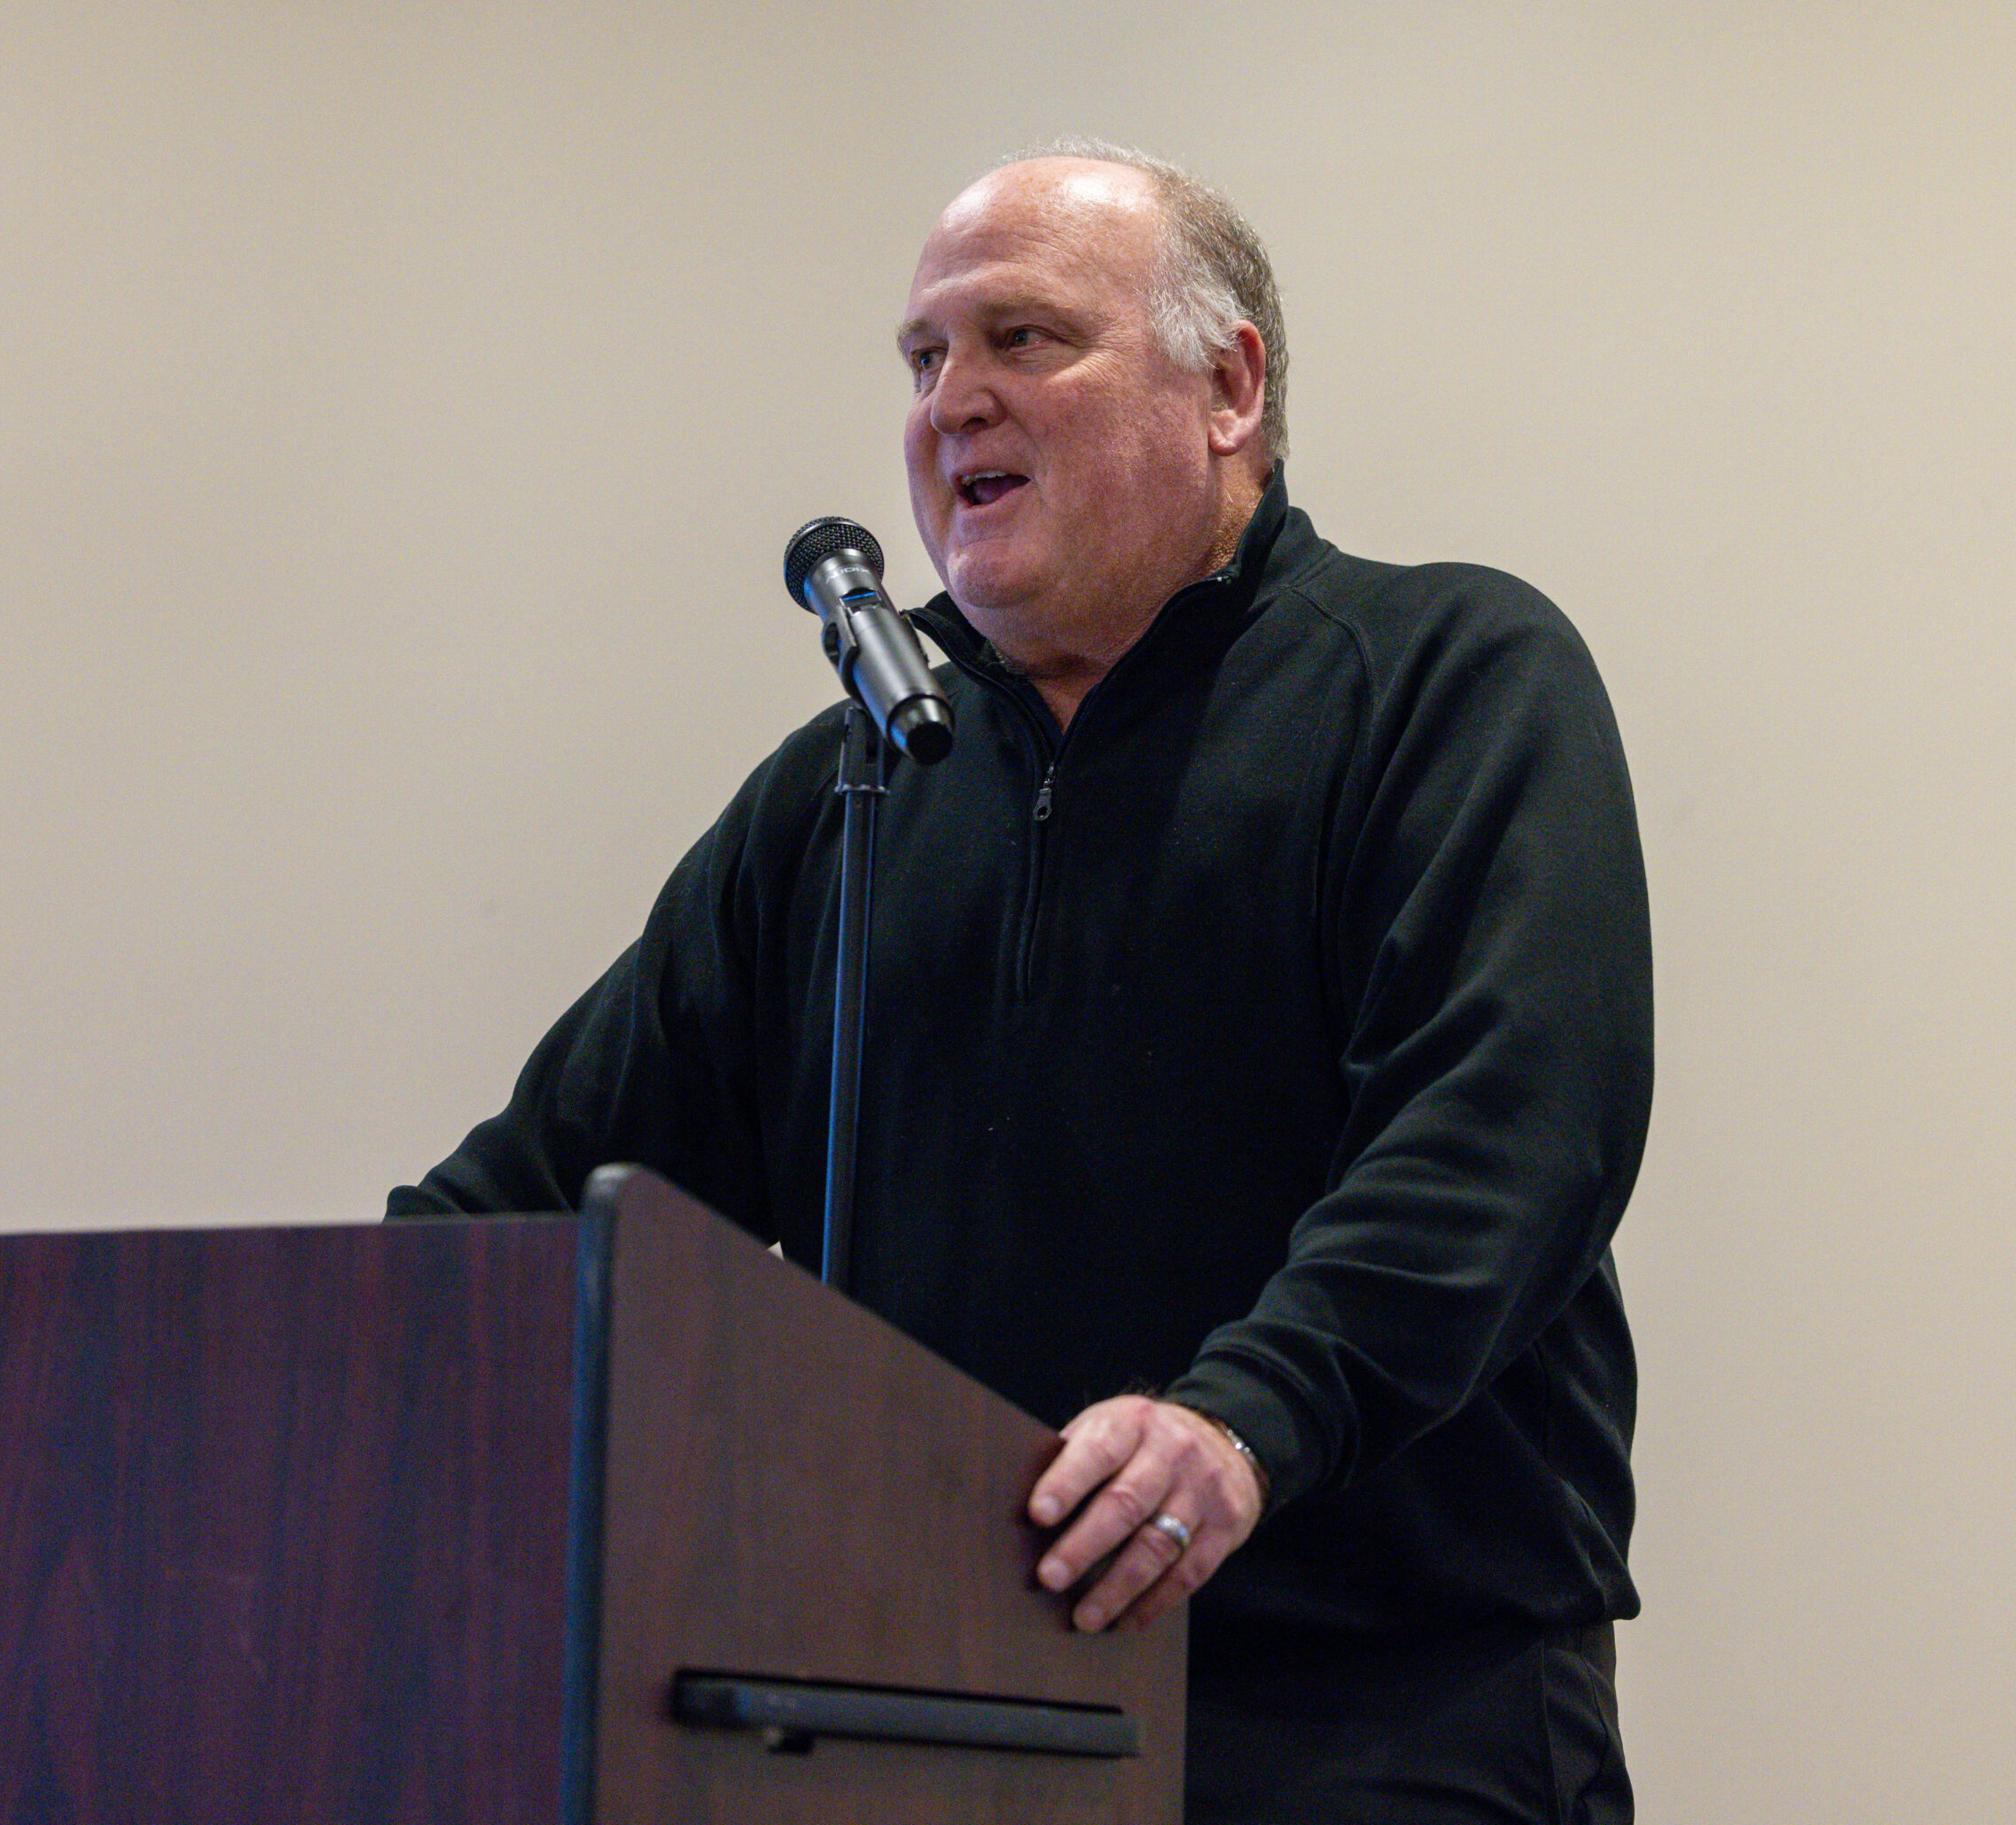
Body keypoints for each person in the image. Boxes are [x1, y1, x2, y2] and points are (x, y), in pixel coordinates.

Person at [391, 141, 1651, 1822]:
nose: (951, 402)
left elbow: (1504, 1142)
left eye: (1024, 340)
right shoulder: (844, 799)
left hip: (1376, 1719)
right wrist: (332, 1360)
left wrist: (1244, 1424)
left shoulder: (1444, 686)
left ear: (1230, 388)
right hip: (938, 1721)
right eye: (924, 359)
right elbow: (536, 1208)